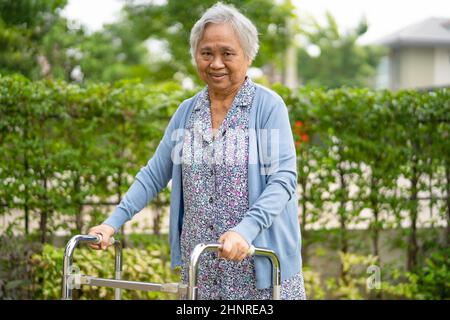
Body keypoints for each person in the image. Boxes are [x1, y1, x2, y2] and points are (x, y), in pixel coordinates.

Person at [88, 2, 306, 300]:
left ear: (248, 55)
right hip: (201, 268)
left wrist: (245, 230)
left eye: (227, 53)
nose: (216, 63)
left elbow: (282, 181)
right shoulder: (188, 113)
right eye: (207, 53)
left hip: (256, 268)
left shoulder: (267, 107)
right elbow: (154, 174)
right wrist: (111, 224)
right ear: (195, 56)